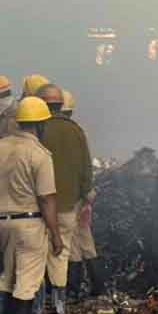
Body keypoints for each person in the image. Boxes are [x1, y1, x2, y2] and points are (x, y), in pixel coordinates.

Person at [0, 96, 63, 314]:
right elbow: (47, 199)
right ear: (40, 124)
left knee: (8, 276)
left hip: (3, 222)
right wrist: (55, 234)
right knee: (26, 282)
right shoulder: (40, 155)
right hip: (30, 224)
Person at [36, 84, 93, 314]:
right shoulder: (76, 130)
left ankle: (38, 308)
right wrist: (83, 196)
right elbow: (86, 169)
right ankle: (59, 307)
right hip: (68, 205)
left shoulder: (38, 129)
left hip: (40, 206)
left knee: (37, 256)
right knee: (61, 255)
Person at [60, 90, 105, 298]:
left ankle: (73, 288)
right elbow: (85, 165)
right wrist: (88, 195)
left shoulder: (58, 133)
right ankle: (98, 285)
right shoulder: (78, 131)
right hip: (82, 192)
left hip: (68, 194)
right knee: (85, 238)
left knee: (72, 243)